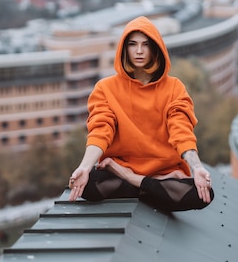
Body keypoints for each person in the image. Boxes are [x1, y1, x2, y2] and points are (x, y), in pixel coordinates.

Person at [68, 16, 214, 212]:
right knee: (85, 184)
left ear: (155, 48)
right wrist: (85, 167)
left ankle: (134, 181)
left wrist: (196, 168)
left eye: (145, 45)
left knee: (203, 194)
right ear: (124, 48)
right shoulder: (105, 88)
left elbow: (182, 132)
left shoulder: (174, 88)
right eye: (132, 44)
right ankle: (152, 187)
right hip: (137, 173)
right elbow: (100, 130)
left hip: (158, 171)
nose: (138, 51)